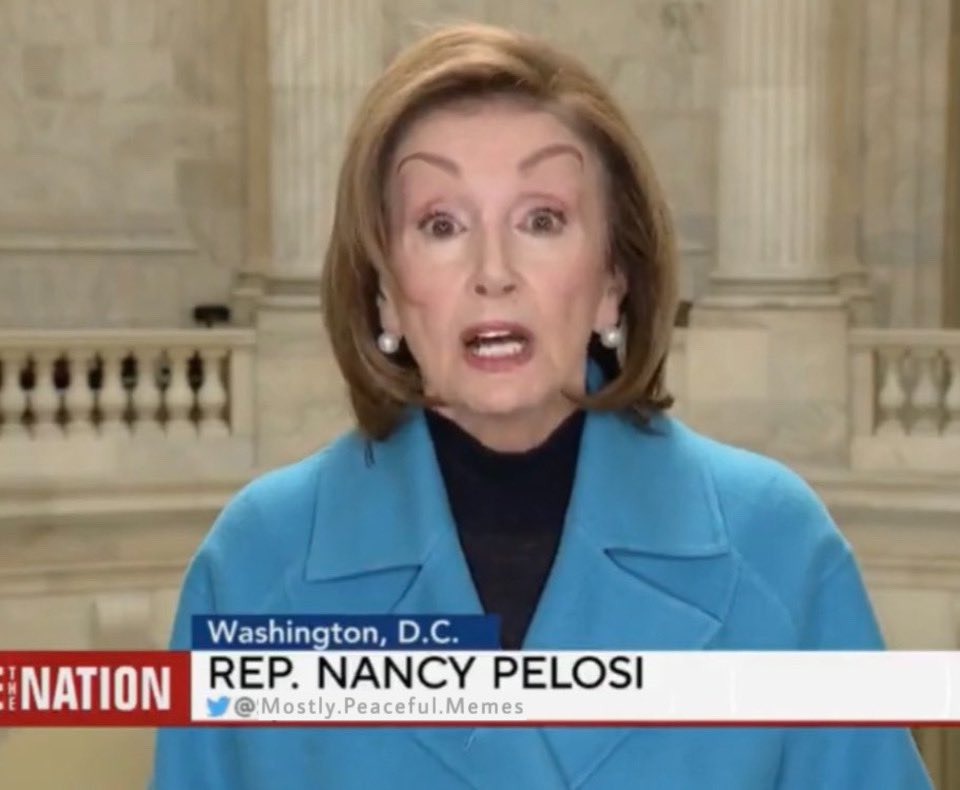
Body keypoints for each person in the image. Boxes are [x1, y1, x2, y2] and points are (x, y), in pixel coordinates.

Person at [151, 23, 932, 790]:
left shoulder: (776, 548)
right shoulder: (255, 564)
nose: (493, 271)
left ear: (613, 280)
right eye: (442, 225)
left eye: (542, 220)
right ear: (384, 292)